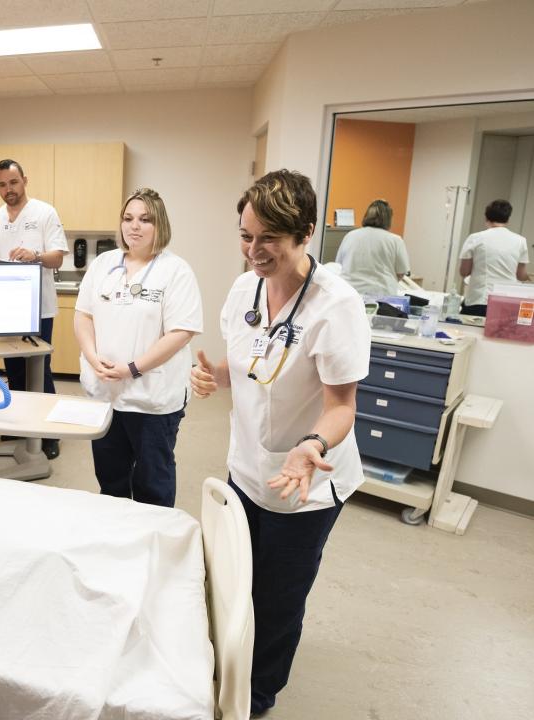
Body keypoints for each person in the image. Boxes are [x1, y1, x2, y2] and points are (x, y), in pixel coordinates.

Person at [190, 169, 370, 717]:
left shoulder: (335, 306)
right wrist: (217, 376)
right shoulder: (245, 288)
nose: (254, 250)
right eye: (246, 235)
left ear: (305, 233)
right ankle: (225, 666)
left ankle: (258, 693)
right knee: (230, 577)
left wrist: (311, 444)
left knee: (277, 597)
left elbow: (341, 405)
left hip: (305, 479)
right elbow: (254, 366)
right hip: (246, 467)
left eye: (269, 238)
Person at [73, 188, 202, 507]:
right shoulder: (104, 264)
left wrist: (132, 368)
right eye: (128, 218)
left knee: (152, 481)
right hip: (105, 392)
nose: (135, 226)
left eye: (145, 219)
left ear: (160, 225)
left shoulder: (176, 270)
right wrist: (92, 358)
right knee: (110, 477)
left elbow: (181, 332)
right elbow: (83, 315)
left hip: (151, 396)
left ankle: (156, 547)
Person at [0, 159, 69, 459]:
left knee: (39, 371)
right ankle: (19, 425)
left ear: (25, 180)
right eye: (2, 185)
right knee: (14, 371)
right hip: (7, 311)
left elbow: (58, 258)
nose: (9, 189)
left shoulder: (45, 212)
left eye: (13, 183)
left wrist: (36, 255)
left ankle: (48, 432)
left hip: (39, 309)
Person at [458, 198, 530, 316]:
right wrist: (528, 277)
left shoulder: (475, 238)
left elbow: (464, 272)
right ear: (507, 219)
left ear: (486, 217)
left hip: (480, 300)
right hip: (507, 302)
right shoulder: (521, 241)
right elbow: (521, 276)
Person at [335, 198, 410, 296]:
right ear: (389, 219)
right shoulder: (395, 240)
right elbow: (401, 273)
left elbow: (339, 263)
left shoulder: (350, 235)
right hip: (382, 296)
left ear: (366, 215)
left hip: (350, 294)